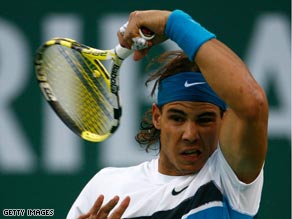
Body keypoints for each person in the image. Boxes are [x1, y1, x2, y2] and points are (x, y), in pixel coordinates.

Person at [67, 9, 268, 219]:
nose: (190, 134)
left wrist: (171, 23)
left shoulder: (229, 181)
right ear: (157, 117)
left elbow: (253, 102)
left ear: (223, 121)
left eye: (205, 119)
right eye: (177, 118)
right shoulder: (106, 186)